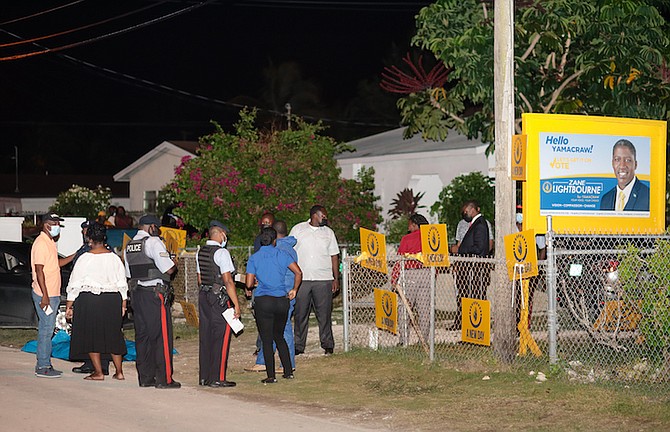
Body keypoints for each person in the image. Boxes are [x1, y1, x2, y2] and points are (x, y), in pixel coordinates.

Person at [65, 223, 127, 381]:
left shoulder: (84, 259)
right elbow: (122, 282)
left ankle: (98, 372)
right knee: (113, 335)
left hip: (90, 299)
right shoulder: (114, 258)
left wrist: (69, 306)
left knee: (91, 335)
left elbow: (74, 284)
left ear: (89, 239)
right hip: (112, 299)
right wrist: (123, 303)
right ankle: (119, 372)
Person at [124, 214, 179, 389]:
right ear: (152, 227)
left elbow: (128, 274)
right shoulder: (153, 242)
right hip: (154, 294)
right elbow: (169, 269)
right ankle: (164, 379)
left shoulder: (130, 245)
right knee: (161, 336)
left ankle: (146, 378)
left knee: (143, 337)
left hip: (137, 294)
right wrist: (174, 261)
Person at [246, 227, 302, 383]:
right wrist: (294, 289)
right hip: (281, 300)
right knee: (279, 336)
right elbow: (298, 272)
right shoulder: (282, 254)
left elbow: (249, 283)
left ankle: (271, 376)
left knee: (266, 338)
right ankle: (288, 371)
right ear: (274, 240)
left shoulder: (254, 258)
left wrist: (253, 282)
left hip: (264, 301)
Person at [196, 220, 241, 388]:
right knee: (221, 337)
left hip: (204, 295)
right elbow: (228, 281)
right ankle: (217, 377)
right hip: (219, 298)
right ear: (221, 234)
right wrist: (236, 304)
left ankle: (204, 377)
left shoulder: (200, 251)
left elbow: (200, 278)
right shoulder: (222, 253)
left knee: (206, 336)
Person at [290, 205, 339, 355]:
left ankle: (327, 344)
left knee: (324, 314)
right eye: (323, 216)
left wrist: (336, 278)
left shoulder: (329, 233)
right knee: (300, 314)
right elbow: (289, 251)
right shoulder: (298, 229)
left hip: (323, 280)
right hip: (302, 280)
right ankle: (298, 345)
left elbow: (334, 256)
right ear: (314, 215)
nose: (325, 218)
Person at [30, 213, 75, 378]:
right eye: (54, 222)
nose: (57, 225)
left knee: (47, 330)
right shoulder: (41, 243)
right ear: (45, 224)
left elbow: (55, 264)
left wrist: (73, 256)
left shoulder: (49, 243)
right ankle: (42, 366)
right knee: (46, 330)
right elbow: (39, 271)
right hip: (45, 294)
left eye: (58, 222)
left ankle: (45, 363)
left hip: (51, 294)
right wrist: (45, 296)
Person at [71, 220, 111, 376]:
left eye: (87, 230)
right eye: (83, 230)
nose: (84, 233)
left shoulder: (102, 251)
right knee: (92, 331)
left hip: (98, 294)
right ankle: (92, 363)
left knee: (99, 330)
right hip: (88, 294)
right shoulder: (83, 249)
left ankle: (101, 364)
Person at [391, 213, 430, 345]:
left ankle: (404, 340)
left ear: (414, 224)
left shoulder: (407, 239)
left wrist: (394, 278)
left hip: (409, 273)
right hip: (426, 273)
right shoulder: (430, 237)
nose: (408, 228)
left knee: (405, 308)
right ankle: (423, 341)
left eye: (409, 225)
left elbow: (399, 259)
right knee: (425, 310)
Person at [452, 200, 491, 330]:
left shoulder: (480, 224)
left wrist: (460, 250)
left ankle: (478, 327)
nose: (464, 214)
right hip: (468, 267)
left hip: (476, 268)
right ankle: (466, 325)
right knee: (465, 295)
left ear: (472, 210)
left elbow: (480, 248)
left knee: (477, 296)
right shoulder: (472, 224)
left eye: (465, 212)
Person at [599, 139, 650, 211]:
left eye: (627, 160)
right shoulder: (606, 200)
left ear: (635, 164)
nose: (622, 166)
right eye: (617, 159)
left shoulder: (648, 196)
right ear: (612, 163)